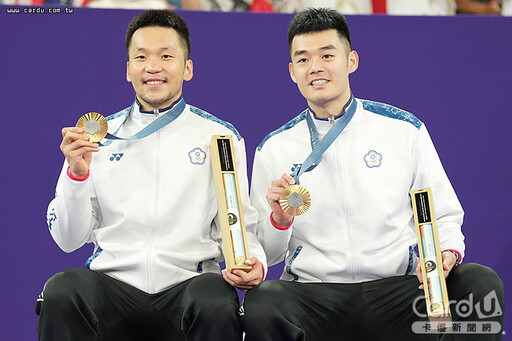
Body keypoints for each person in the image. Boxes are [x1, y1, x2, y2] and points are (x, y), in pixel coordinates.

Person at [242, 8, 504, 340]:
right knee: (264, 302)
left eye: (327, 55)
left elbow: (444, 214)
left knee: (479, 284)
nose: (316, 68)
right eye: (304, 60)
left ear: (351, 60)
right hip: (317, 295)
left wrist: (446, 252)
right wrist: (280, 220)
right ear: (292, 71)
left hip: (399, 291)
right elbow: (268, 250)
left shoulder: (403, 129)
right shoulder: (274, 147)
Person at [37, 9, 266, 341]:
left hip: (187, 284)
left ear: (187, 68)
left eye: (166, 56)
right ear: (128, 69)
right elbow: (68, 239)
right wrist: (76, 175)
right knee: (61, 290)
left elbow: (238, 225)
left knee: (215, 300)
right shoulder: (98, 136)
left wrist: (252, 261)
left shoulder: (220, 136)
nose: (153, 66)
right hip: (113, 286)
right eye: (140, 56)